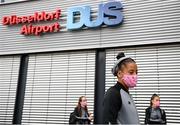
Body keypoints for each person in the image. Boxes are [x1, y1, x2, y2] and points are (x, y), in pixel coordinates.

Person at [102, 52, 139, 124]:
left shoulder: (126, 93)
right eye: (131, 72)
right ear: (119, 74)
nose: (135, 75)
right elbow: (108, 121)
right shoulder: (113, 93)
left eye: (136, 72)